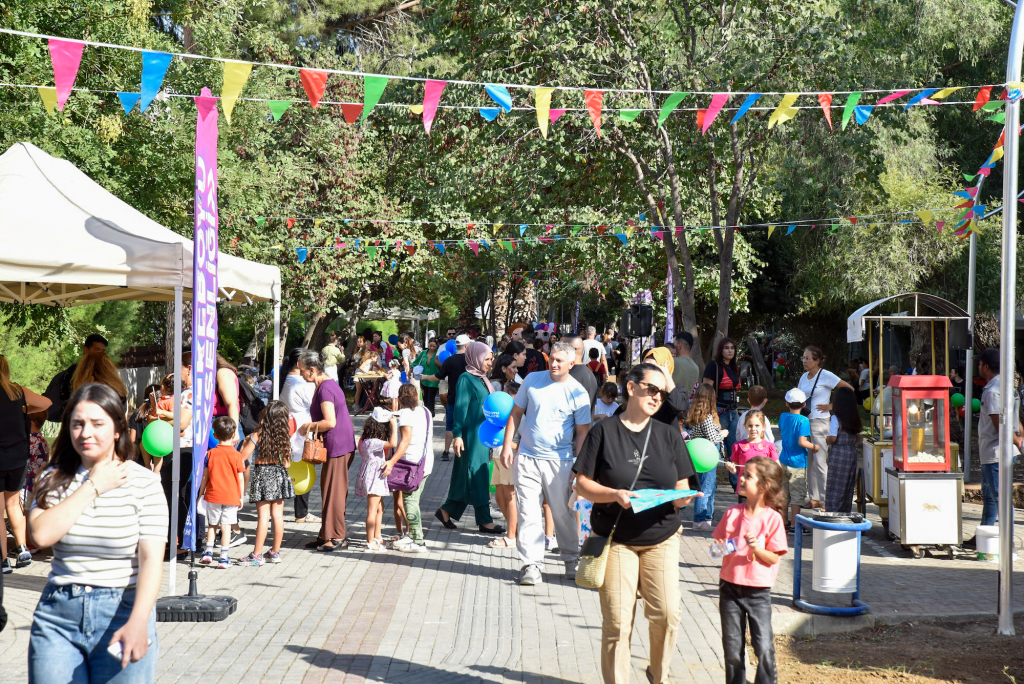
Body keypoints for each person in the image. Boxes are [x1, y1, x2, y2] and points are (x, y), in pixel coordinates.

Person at [28, 383, 167, 680]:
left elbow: (152, 561)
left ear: (118, 428)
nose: (85, 433)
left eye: (97, 423)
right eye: (77, 424)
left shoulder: (145, 483)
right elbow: (40, 536)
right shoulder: (53, 478)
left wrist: (139, 621)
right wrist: (93, 486)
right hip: (58, 614)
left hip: (123, 610)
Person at [572, 363, 700, 684]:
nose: (658, 397)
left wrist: (683, 498)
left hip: (662, 535)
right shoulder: (604, 432)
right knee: (617, 623)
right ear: (631, 388)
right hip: (615, 538)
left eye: (662, 393)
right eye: (652, 389)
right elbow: (581, 484)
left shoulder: (669, 435)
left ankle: (658, 675)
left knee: (668, 615)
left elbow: (683, 489)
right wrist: (614, 494)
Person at [499, 341, 591, 585]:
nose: (554, 363)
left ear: (572, 364)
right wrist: (508, 445)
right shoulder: (532, 380)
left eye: (560, 360)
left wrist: (579, 466)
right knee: (528, 512)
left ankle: (572, 559)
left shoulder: (578, 392)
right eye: (552, 358)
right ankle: (531, 564)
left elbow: (583, 432)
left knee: (562, 512)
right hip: (528, 457)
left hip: (560, 462)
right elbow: (516, 413)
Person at [714, 457, 788, 684]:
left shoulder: (773, 519)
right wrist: (729, 545)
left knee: (764, 646)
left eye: (748, 475)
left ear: (764, 486)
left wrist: (757, 548)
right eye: (742, 474)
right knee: (733, 650)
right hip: (730, 588)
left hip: (758, 592)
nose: (742, 478)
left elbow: (773, 558)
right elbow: (716, 551)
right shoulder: (732, 513)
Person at [435, 342, 506, 535]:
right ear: (476, 357)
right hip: (470, 435)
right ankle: (484, 520)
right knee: (477, 473)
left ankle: (446, 511)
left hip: (481, 434)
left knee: (466, 474)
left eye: (491, 359)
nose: (490, 363)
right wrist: (457, 435)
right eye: (487, 359)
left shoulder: (482, 377)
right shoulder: (466, 378)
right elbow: (460, 407)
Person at [298, 350, 357, 552]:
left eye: (302, 370)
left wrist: (308, 426)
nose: (300, 374)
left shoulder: (324, 388)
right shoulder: (325, 384)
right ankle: (326, 533)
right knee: (329, 490)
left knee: (334, 493)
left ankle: (338, 536)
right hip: (337, 445)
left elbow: (329, 421)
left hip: (338, 446)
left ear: (312, 370)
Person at [965, 348, 1023, 547]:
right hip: (996, 452)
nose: (978, 367)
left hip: (996, 453)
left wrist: (1017, 440)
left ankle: (1008, 542)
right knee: (990, 495)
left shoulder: (992, 391)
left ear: (986, 366)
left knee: (1000, 497)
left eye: (980, 364)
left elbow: (1001, 424)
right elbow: (1016, 419)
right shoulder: (1007, 387)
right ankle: (982, 535)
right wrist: (1020, 437)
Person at [0, 355, 52, 571]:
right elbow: (46, 403)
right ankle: (22, 549)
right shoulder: (17, 391)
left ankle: (3, 561)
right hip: (18, 456)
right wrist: (22, 410)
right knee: (14, 504)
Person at [797, 346, 854, 508]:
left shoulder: (826, 375)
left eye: (808, 358)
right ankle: (814, 498)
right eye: (803, 358)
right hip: (804, 421)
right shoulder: (803, 377)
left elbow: (849, 389)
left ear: (817, 360)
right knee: (810, 461)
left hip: (820, 422)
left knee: (821, 461)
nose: (804, 361)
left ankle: (827, 499)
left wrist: (831, 405)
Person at [239, 401, 295, 565]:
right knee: (278, 516)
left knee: (263, 517)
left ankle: (257, 555)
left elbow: (242, 457)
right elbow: (287, 464)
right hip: (279, 474)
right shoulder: (283, 436)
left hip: (262, 474)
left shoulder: (258, 434)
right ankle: (275, 552)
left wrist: (246, 442)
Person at [389, 384, 433, 553]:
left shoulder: (406, 415)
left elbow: (405, 440)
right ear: (417, 396)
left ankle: (418, 540)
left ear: (400, 399)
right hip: (425, 463)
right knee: (412, 500)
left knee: (410, 502)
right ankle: (412, 535)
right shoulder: (425, 411)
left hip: (412, 466)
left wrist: (392, 461)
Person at [280, 347, 320, 524]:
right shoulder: (301, 383)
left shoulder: (282, 379)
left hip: (285, 427)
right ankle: (301, 513)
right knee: (303, 470)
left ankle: (276, 508)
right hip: (301, 430)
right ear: (299, 364)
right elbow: (315, 404)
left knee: (284, 469)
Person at [198, 417, 245, 569]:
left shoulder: (210, 454)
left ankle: (208, 553)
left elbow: (205, 476)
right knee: (226, 526)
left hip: (213, 495)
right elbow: (241, 478)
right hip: (231, 496)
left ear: (215, 435)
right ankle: (224, 557)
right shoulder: (238, 456)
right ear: (233, 435)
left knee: (212, 524)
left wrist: (201, 493)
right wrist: (241, 496)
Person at [356, 407, 400, 553]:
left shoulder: (365, 440)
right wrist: (394, 426)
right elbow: (393, 444)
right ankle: (370, 543)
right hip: (374, 478)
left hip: (371, 476)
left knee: (379, 508)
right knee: (372, 511)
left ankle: (377, 537)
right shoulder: (373, 442)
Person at [423, 333, 471, 461]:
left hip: (453, 398)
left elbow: (438, 376)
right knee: (467, 424)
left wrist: (425, 377)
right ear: (466, 346)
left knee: (450, 425)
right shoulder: (471, 360)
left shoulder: (449, 360)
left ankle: (445, 452)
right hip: (469, 399)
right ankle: (466, 451)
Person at [686, 385, 726, 531]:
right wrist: (723, 433)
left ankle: (708, 517)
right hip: (707, 455)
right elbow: (712, 438)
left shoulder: (695, 415)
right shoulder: (707, 417)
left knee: (710, 486)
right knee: (706, 487)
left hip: (699, 456)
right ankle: (699, 520)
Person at [43, 333, 108, 422]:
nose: (100, 354)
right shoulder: (76, 371)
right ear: (86, 349)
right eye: (97, 350)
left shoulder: (98, 372)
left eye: (103, 351)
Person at [778, 388, 818, 531]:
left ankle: (784, 521)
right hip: (798, 462)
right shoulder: (804, 420)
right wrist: (814, 446)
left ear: (786, 403)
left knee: (784, 492)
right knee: (797, 493)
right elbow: (802, 442)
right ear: (804, 404)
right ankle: (795, 524)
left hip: (783, 460)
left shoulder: (783, 416)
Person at [703, 337, 742, 470]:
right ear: (720, 350)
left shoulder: (733, 367)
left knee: (734, 448)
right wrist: (711, 413)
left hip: (733, 412)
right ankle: (710, 483)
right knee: (715, 447)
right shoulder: (713, 366)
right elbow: (706, 391)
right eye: (726, 348)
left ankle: (736, 484)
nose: (730, 351)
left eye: (732, 348)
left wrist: (735, 410)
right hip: (718, 411)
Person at [725, 411, 778, 501]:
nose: (753, 429)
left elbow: (777, 468)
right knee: (744, 514)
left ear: (763, 427)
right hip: (745, 489)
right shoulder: (738, 446)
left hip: (763, 490)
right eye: (750, 425)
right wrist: (731, 468)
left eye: (757, 425)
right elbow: (736, 469)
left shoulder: (768, 446)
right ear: (745, 427)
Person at [824, 388, 862, 514]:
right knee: (847, 485)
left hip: (838, 453)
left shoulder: (835, 418)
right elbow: (858, 437)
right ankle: (845, 512)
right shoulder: (855, 418)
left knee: (835, 485)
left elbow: (833, 438)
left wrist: (827, 440)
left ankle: (833, 512)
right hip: (851, 453)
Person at [563, 334, 599, 406]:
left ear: (568, 350)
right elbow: (594, 407)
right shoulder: (589, 374)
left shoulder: (570, 377)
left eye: (559, 348)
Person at [414, 338, 441, 416]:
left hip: (434, 379)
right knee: (425, 398)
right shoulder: (423, 353)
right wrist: (411, 369)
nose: (432, 348)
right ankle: (426, 414)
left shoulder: (438, 354)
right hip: (423, 379)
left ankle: (430, 413)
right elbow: (416, 362)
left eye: (434, 346)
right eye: (430, 346)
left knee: (431, 398)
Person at [671, 332, 700, 400]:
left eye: (674, 344)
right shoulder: (696, 368)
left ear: (679, 345)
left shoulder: (671, 361)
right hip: (684, 407)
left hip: (667, 406)